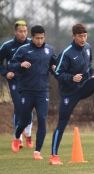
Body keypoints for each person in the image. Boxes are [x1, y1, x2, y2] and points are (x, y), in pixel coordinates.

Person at [49, 23, 94, 165]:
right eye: (80, 36)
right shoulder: (66, 53)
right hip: (69, 93)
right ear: (73, 36)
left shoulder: (88, 47)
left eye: (85, 36)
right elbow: (58, 73)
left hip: (84, 86)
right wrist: (71, 78)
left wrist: (92, 74)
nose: (83, 39)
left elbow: (90, 64)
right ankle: (54, 156)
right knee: (62, 123)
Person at [8, 25, 57, 160]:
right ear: (31, 37)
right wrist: (20, 65)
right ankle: (17, 137)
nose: (40, 41)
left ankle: (37, 152)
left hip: (43, 92)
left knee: (42, 118)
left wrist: (54, 68)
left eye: (42, 38)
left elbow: (55, 65)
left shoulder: (49, 49)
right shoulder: (23, 50)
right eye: (37, 38)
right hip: (26, 92)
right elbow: (11, 65)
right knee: (23, 121)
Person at [0, 20, 34, 149]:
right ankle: (18, 138)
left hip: (29, 81)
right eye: (20, 31)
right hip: (14, 81)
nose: (23, 34)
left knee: (29, 107)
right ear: (15, 32)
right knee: (19, 107)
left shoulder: (32, 44)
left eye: (25, 31)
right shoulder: (7, 46)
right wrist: (5, 73)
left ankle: (29, 135)